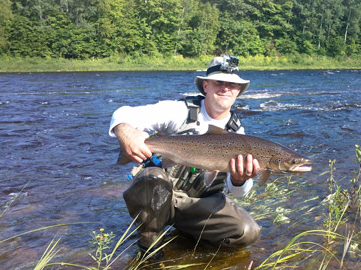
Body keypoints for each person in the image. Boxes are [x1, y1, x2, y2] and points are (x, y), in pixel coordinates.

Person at [108, 55, 262, 255]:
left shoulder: (238, 133)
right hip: (164, 198)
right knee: (150, 178)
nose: (225, 88)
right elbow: (122, 113)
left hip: (199, 206)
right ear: (205, 86)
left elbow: (239, 193)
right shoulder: (179, 111)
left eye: (231, 84)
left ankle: (189, 235)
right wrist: (125, 132)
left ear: (238, 91)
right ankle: (149, 245)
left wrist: (240, 179)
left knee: (247, 232)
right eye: (219, 82)